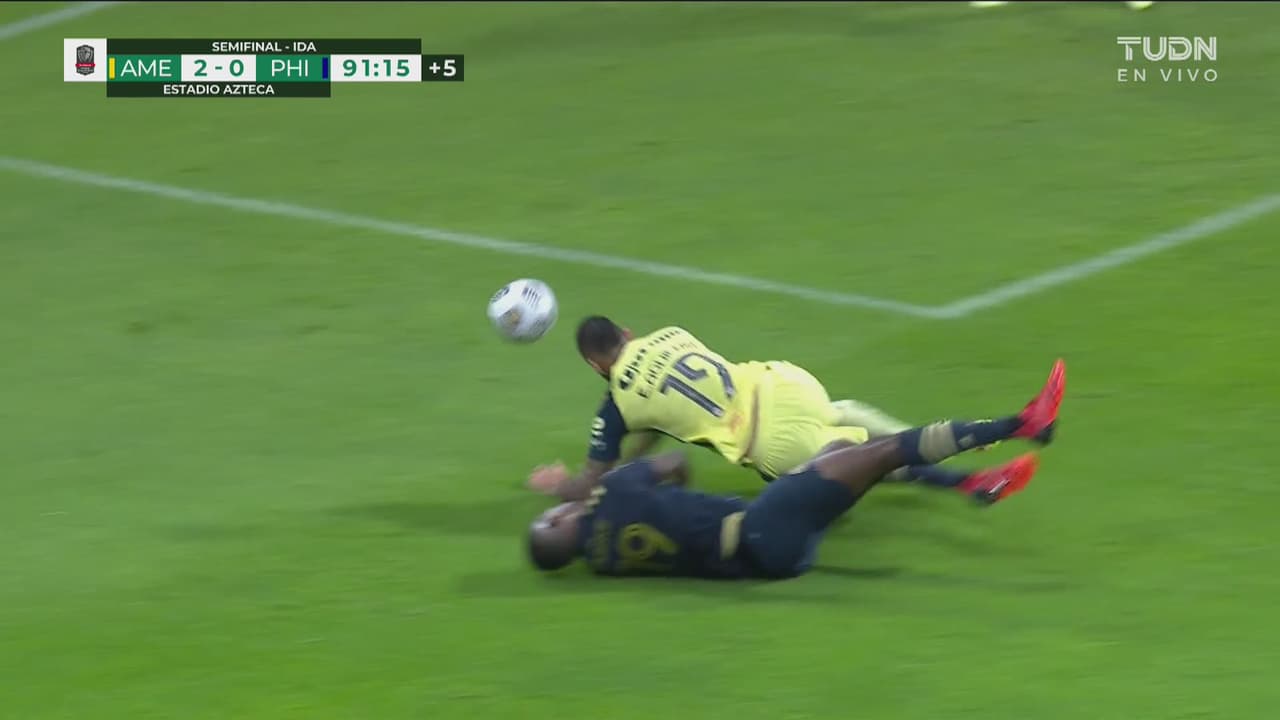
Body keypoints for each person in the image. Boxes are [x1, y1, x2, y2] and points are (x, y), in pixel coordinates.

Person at [526, 359, 1064, 578]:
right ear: (557, 521)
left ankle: (976, 483)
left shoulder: (602, 562)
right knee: (883, 450)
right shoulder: (616, 492)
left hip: (770, 555)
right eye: (553, 516)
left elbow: (602, 514)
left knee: (842, 455)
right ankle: (1023, 423)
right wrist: (615, 484)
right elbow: (675, 463)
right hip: (761, 526)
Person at [528, 317, 989, 501]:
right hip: (784, 384)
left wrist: (557, 486)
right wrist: (635, 460)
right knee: (842, 410)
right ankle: (955, 434)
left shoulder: (617, 407)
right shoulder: (671, 333)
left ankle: (967, 482)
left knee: (870, 461)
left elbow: (589, 484)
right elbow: (660, 417)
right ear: (627, 333)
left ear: (594, 365)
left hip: (769, 440)